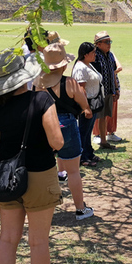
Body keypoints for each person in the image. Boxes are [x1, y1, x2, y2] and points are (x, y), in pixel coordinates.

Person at [0, 49, 64, 264]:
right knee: (39, 242)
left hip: (7, 177)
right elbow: (58, 142)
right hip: (40, 174)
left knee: (7, 239)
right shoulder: (41, 101)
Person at [37, 43, 95, 221]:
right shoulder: (70, 83)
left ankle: (41, 208)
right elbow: (84, 104)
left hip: (45, 124)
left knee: (43, 170)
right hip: (67, 124)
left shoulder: (38, 82)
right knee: (73, 171)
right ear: (63, 64)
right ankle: (80, 209)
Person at [72, 42, 103, 167]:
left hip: (92, 102)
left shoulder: (88, 65)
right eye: (93, 53)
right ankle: (82, 157)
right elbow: (81, 89)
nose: (95, 54)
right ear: (85, 55)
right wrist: (86, 108)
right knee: (83, 131)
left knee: (88, 130)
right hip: (86, 103)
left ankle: (88, 153)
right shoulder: (80, 67)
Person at [91, 31, 120, 150]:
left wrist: (116, 89)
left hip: (108, 91)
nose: (109, 44)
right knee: (94, 117)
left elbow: (113, 72)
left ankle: (104, 141)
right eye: (106, 42)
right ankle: (91, 140)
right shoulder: (94, 56)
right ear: (98, 44)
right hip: (97, 92)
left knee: (104, 117)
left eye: (110, 41)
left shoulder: (110, 55)